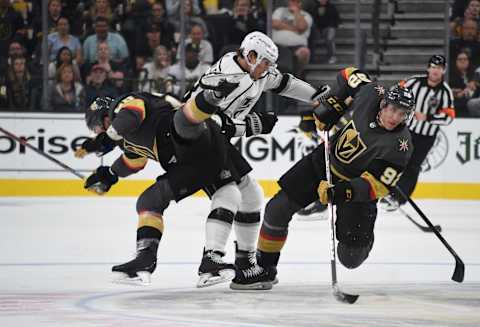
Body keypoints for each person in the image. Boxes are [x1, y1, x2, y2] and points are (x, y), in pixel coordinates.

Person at [178, 31, 330, 290]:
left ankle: (244, 267)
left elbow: (284, 82)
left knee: (250, 196)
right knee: (232, 195)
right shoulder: (228, 77)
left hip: (214, 141)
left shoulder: (252, 69)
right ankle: (213, 262)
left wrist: (316, 97)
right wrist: (251, 125)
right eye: (265, 63)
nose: (268, 69)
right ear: (250, 56)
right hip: (196, 140)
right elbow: (207, 120)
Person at [240, 67, 416, 287]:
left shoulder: (401, 145)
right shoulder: (371, 93)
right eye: (393, 110)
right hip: (325, 160)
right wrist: (334, 104)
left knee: (351, 258)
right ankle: (265, 269)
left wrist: (341, 192)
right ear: (383, 104)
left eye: (402, 114)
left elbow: (377, 186)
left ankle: (365, 238)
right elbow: (348, 74)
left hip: (355, 185)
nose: (395, 117)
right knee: (276, 208)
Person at [73, 92, 237, 284]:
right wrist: (110, 174)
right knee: (151, 200)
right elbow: (134, 162)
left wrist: (104, 140)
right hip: (193, 156)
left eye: (98, 126)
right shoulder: (124, 136)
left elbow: (134, 113)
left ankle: (148, 259)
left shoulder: (123, 106)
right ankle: (207, 260)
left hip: (188, 141)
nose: (99, 131)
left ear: (106, 115)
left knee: (152, 200)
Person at [381, 55, 455, 211]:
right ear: (428, 68)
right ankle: (384, 189)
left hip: (427, 137)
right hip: (407, 130)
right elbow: (395, 91)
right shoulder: (414, 82)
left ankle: (398, 198)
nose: (435, 71)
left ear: (444, 71)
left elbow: (449, 117)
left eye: (439, 68)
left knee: (413, 166)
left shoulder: (445, 92)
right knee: (395, 159)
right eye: (433, 67)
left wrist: (427, 117)